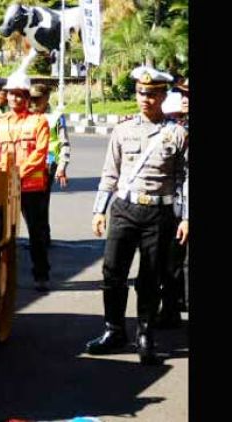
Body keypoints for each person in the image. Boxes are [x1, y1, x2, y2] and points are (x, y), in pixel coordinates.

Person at [86, 66, 188, 365]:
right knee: (112, 273)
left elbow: (184, 179)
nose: (146, 99)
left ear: (163, 95)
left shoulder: (177, 133)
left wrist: (186, 217)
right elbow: (110, 173)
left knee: (150, 278)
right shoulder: (122, 130)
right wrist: (98, 210)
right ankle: (114, 330)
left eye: (153, 94)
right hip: (124, 209)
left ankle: (145, 334)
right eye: (142, 93)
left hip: (159, 212)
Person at [0, 71, 51, 292]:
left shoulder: (39, 121)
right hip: (4, 186)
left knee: (36, 234)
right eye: (11, 94)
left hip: (31, 188)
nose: (14, 99)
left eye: (19, 95)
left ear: (27, 97)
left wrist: (18, 173)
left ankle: (41, 275)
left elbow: (40, 154)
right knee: (0, 235)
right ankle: (0, 276)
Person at [156, 79, 189, 328]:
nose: (185, 98)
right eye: (182, 94)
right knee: (171, 260)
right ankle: (171, 308)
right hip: (176, 204)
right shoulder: (176, 127)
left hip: (183, 205)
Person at [30, 83, 71, 246]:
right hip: (28, 163)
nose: (33, 103)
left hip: (48, 163)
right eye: (31, 99)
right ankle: (38, 236)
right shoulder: (27, 114)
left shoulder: (55, 116)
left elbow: (64, 143)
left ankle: (41, 237)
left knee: (40, 201)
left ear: (46, 98)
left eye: (37, 99)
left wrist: (62, 166)